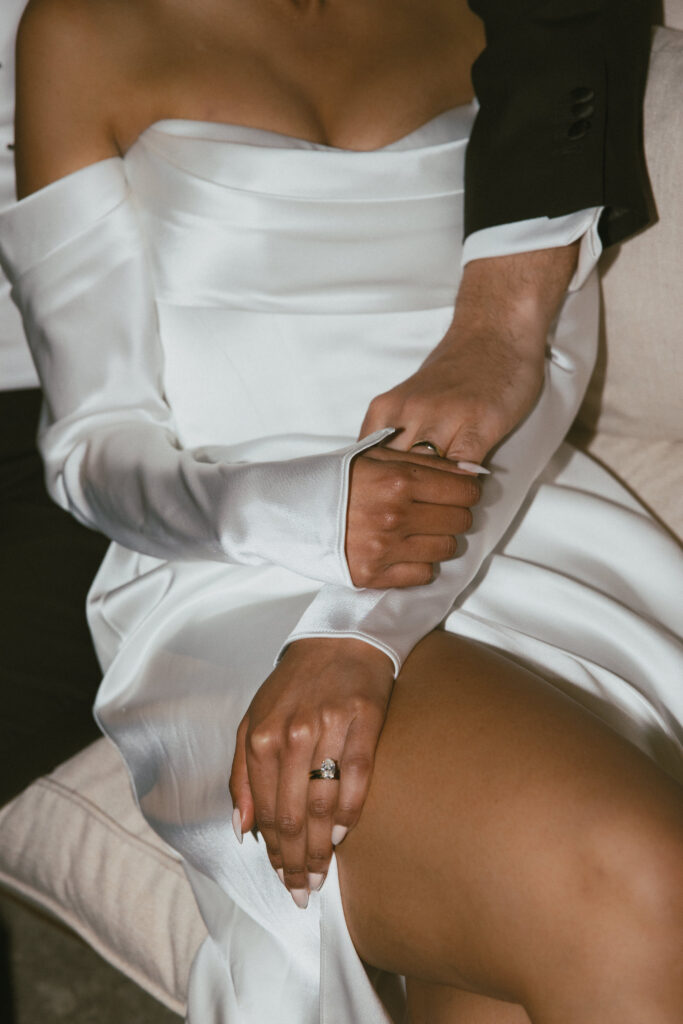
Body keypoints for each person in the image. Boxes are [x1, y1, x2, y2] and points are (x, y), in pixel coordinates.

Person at [2, 2, 681, 1024]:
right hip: (241, 574)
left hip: (519, 531)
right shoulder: (84, 30)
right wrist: (308, 515)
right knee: (635, 887)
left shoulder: (511, 17)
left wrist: (362, 623)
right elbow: (93, 444)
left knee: (519, 964)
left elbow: (534, 362)